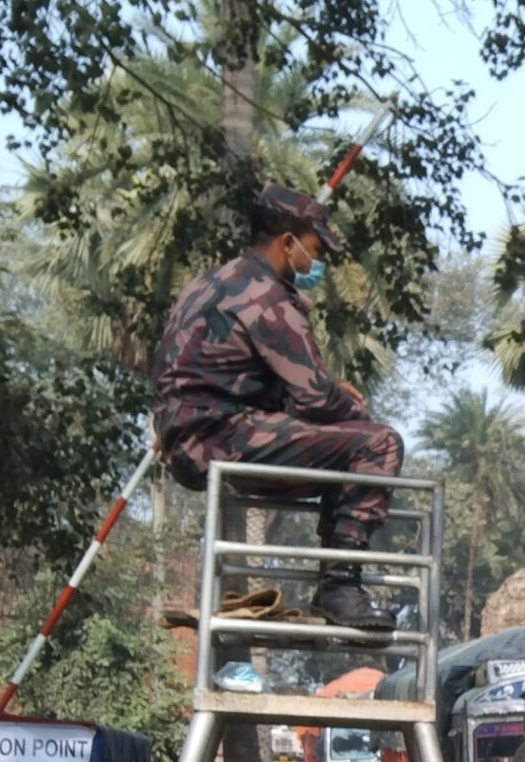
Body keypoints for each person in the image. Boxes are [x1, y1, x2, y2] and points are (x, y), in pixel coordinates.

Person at [149, 183, 404, 633]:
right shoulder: (265, 296)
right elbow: (317, 397)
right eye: (314, 248)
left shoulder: (209, 283)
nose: (319, 261)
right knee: (378, 444)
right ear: (288, 243)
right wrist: (350, 402)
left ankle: (337, 577)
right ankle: (340, 585)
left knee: (344, 445)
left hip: (186, 440)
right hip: (222, 439)